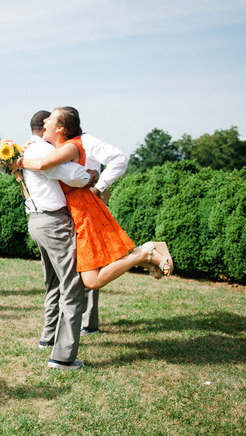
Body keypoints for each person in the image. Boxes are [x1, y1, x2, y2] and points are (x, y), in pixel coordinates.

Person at [13, 107, 173, 291]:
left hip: (83, 212)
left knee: (92, 280)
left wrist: (17, 162)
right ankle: (144, 257)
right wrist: (25, 147)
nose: (45, 122)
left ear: (60, 129)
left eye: (50, 119)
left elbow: (43, 164)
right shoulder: (58, 147)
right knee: (96, 272)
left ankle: (145, 253)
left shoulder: (71, 146)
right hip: (76, 212)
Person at [13, 110, 93, 369]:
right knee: (73, 284)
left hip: (36, 222)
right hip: (53, 222)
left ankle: (47, 338)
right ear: (46, 128)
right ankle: (62, 356)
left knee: (54, 283)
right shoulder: (40, 153)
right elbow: (77, 177)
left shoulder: (24, 151)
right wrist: (90, 175)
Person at [79, 125, 129, 336]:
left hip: (89, 209)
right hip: (73, 210)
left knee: (92, 261)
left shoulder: (87, 141)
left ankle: (88, 322)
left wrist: (99, 187)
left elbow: (119, 158)